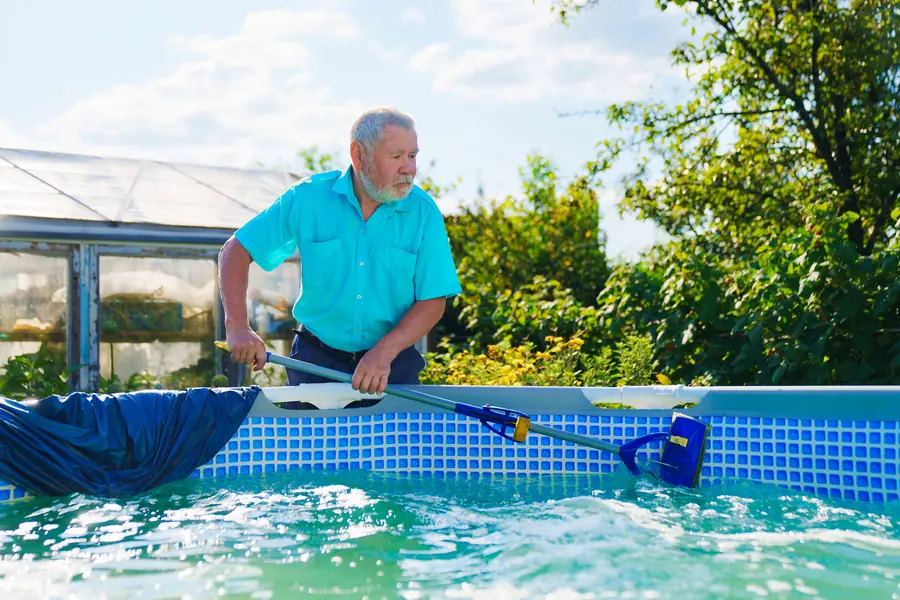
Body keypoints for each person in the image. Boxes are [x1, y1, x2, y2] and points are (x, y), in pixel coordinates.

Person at [218, 106, 461, 399]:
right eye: (396, 156)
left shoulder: (424, 212)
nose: (408, 168)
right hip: (315, 363)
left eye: (412, 156)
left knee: (389, 447)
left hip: (393, 366)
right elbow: (236, 250)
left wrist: (383, 352)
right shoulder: (308, 197)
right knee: (308, 447)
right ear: (359, 155)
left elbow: (432, 300)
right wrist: (237, 326)